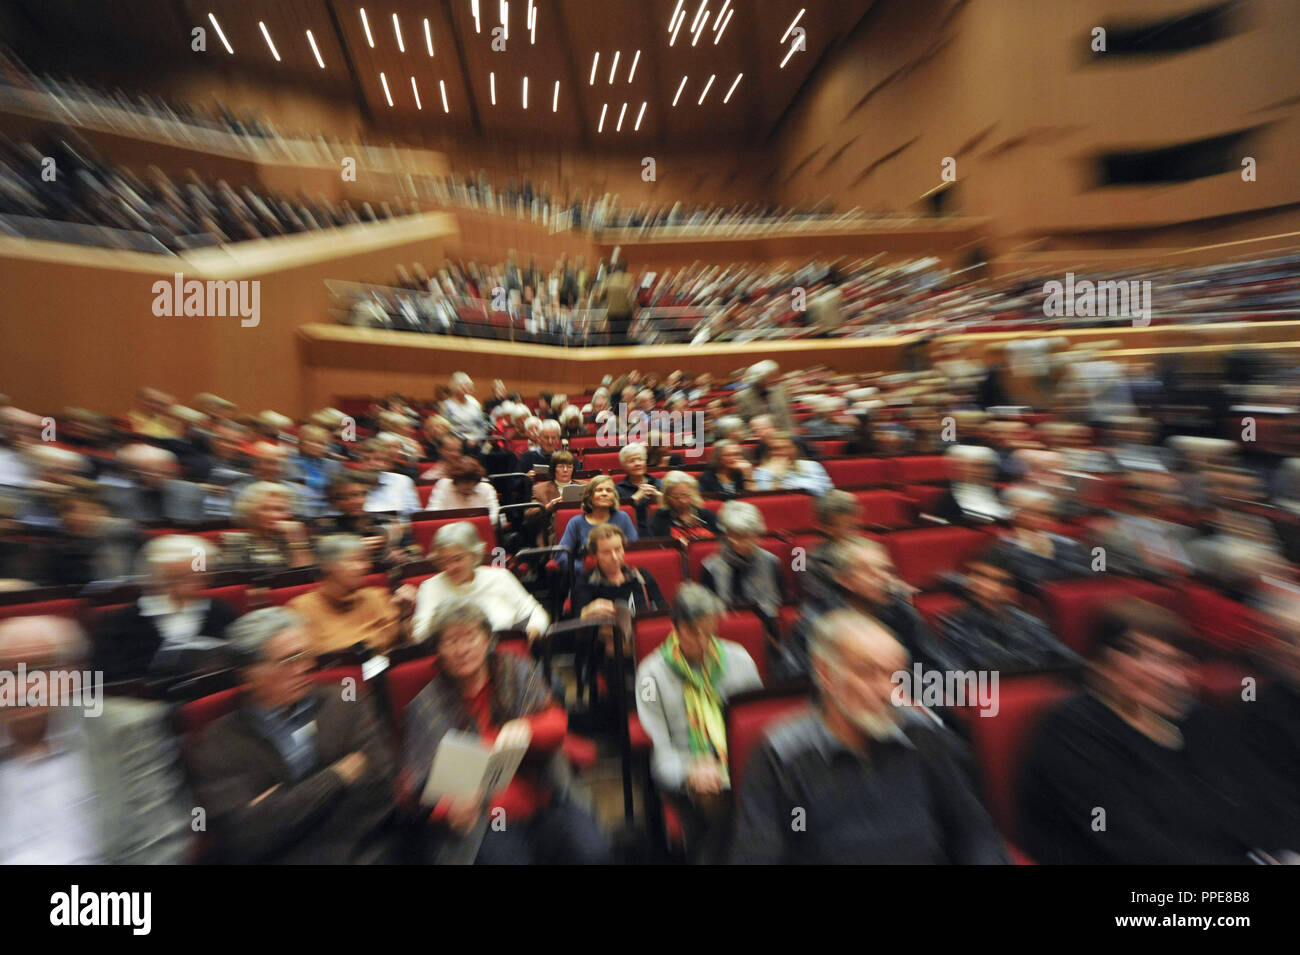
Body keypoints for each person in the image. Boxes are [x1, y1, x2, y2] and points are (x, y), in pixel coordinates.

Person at [729, 608, 1008, 864]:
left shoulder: (924, 735)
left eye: (895, 675)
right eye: (868, 673)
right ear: (826, 674)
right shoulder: (781, 753)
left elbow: (974, 833)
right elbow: (758, 855)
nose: (888, 691)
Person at [1017, 600, 1270, 864]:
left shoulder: (1196, 718)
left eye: (1177, 662)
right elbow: (1128, 842)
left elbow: (1240, 803)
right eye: (1147, 657)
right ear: (1102, 664)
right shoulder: (1071, 730)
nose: (1170, 677)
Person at [403, 599, 611, 864]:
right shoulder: (426, 703)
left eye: (470, 636)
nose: (463, 649)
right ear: (439, 650)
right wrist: (447, 809)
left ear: (487, 639)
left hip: (543, 793)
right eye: (451, 641)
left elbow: (557, 723)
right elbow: (419, 780)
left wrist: (526, 728)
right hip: (483, 819)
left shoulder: (515, 670)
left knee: (594, 851)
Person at [188, 608, 400, 863]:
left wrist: (279, 807)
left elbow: (380, 789)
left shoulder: (344, 700)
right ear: (249, 675)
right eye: (289, 660)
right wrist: (338, 775)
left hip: (362, 851)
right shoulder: (219, 741)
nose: (306, 667)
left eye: (307, 655)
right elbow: (242, 838)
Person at [0, 615, 195, 863]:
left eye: (39, 669)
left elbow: (160, 843)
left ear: (72, 674)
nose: (20, 687)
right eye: (4, 671)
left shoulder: (126, 729)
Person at [635, 584, 762, 862]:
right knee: (715, 796)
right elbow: (661, 747)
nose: (704, 642)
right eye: (694, 633)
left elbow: (757, 726)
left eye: (710, 631)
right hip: (686, 766)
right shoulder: (651, 675)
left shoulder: (739, 659)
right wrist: (690, 771)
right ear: (676, 628)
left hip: (738, 763)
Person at [783, 537, 936, 679]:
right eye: (869, 572)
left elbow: (934, 661)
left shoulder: (901, 610)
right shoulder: (814, 623)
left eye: (886, 570)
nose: (883, 577)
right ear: (843, 579)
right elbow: (799, 683)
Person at [92, 535, 238, 682]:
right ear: (156, 578)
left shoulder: (219, 611)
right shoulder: (122, 622)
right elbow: (108, 677)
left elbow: (239, 657)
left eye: (199, 577)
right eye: (178, 578)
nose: (191, 585)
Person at [935, 555, 1080, 673]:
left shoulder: (1030, 622)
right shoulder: (955, 624)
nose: (980, 583)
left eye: (993, 580)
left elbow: (1067, 658)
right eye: (978, 575)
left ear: (1011, 592)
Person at [412, 522, 548, 643]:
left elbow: (536, 613)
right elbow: (419, 636)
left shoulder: (499, 577)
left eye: (457, 559)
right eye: (443, 561)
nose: (450, 567)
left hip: (507, 653)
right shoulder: (430, 587)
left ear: (474, 555)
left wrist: (532, 631)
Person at [288, 535, 415, 653]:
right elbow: (323, 653)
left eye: (364, 560)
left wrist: (403, 614)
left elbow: (405, 646)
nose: (365, 566)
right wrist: (376, 637)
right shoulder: (302, 608)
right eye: (354, 560)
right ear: (328, 566)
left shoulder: (376, 596)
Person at [701, 500, 782, 623]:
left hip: (766, 626)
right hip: (726, 628)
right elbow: (707, 612)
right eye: (734, 535)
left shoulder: (771, 562)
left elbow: (779, 603)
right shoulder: (711, 567)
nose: (737, 542)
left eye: (744, 536)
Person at [312, 473, 418, 566]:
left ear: (366, 496)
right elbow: (322, 566)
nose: (352, 501)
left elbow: (415, 557)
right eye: (343, 498)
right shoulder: (327, 529)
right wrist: (354, 549)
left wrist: (402, 558)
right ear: (334, 503)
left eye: (357, 495)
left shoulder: (389, 522)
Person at [571, 523, 666, 618]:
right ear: (595, 555)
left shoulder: (642, 576)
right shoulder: (585, 582)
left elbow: (663, 612)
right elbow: (578, 620)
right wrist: (587, 612)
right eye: (606, 552)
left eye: (618, 549)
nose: (615, 557)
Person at [221, 482, 315, 570]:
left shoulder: (295, 537)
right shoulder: (236, 541)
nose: (274, 515)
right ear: (250, 512)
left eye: (280, 509)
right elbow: (235, 583)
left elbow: (307, 579)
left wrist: (297, 542)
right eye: (266, 509)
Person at [555, 475, 638, 569]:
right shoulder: (576, 522)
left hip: (618, 572)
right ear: (589, 496)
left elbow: (634, 552)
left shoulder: (623, 517)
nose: (604, 493)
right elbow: (561, 555)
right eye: (599, 490)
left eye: (609, 490)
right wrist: (584, 569)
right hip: (586, 576)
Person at [931, 444, 1010, 524]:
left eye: (987, 466)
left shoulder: (999, 493)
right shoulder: (948, 499)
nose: (982, 471)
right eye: (976, 466)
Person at [526, 449, 585, 545]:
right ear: (553, 469)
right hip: (554, 533)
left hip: (583, 528)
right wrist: (547, 507)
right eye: (561, 466)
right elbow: (529, 516)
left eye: (569, 466)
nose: (565, 470)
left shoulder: (585, 486)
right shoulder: (540, 489)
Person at [752, 432, 831, 496]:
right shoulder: (762, 471)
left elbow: (824, 492)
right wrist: (778, 477)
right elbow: (767, 498)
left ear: (795, 449)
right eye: (776, 449)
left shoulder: (812, 465)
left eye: (787, 447)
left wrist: (786, 484)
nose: (782, 452)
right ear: (769, 452)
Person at [649, 471, 719, 542]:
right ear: (667, 497)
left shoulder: (706, 515)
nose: (682, 501)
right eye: (676, 497)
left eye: (685, 495)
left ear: (693, 493)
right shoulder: (660, 518)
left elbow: (721, 539)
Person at [358, 438, 421, 515]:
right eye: (366, 459)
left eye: (378, 459)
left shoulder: (403, 481)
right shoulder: (349, 484)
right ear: (359, 462)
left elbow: (414, 514)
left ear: (387, 463)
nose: (372, 464)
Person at [427, 459, 500, 523]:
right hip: (449, 531)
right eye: (464, 482)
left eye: (472, 482)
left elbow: (494, 515)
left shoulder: (487, 488)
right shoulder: (443, 485)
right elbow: (433, 512)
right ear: (455, 481)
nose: (468, 486)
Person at [615, 443, 662, 537]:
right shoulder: (618, 489)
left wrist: (659, 496)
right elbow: (616, 517)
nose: (637, 464)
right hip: (633, 533)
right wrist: (634, 498)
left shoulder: (660, 483)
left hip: (661, 531)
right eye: (632, 461)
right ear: (624, 466)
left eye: (640, 459)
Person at [735, 360, 794, 431]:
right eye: (773, 376)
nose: (777, 379)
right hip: (762, 436)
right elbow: (745, 422)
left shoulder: (781, 390)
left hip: (787, 432)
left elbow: (787, 414)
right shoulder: (742, 397)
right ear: (760, 379)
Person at [440, 371, 488, 444]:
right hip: (456, 441)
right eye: (462, 385)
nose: (466, 388)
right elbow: (446, 428)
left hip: (476, 440)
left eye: (468, 385)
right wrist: (464, 439)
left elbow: (481, 424)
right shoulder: (447, 405)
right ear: (454, 386)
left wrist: (477, 438)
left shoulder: (474, 402)